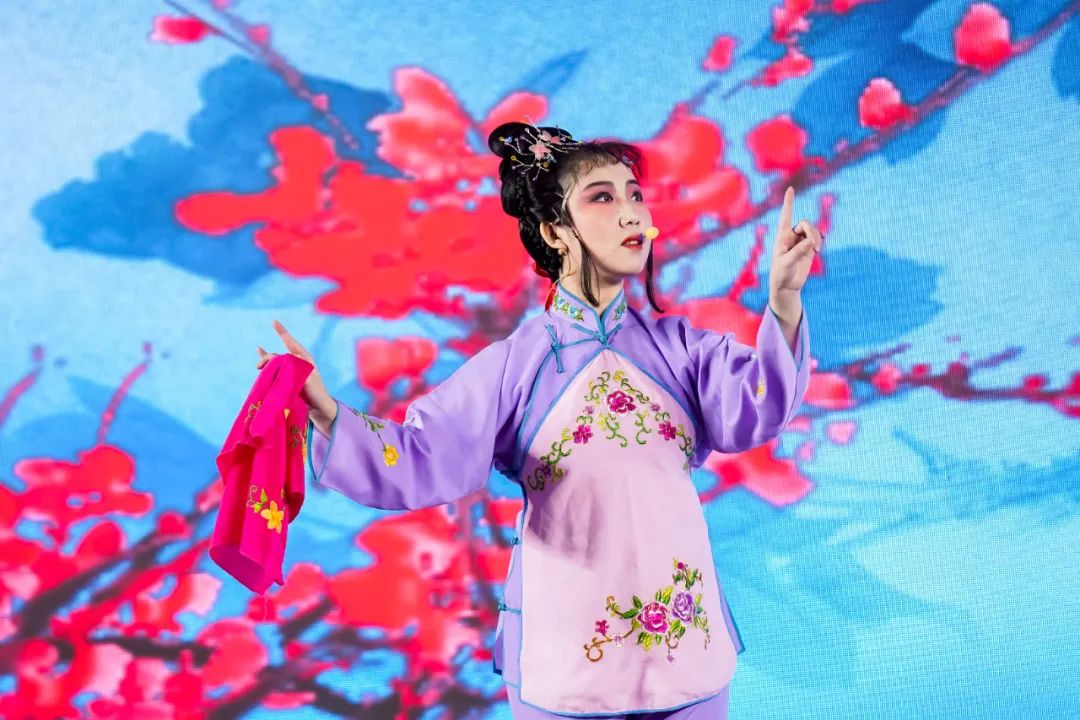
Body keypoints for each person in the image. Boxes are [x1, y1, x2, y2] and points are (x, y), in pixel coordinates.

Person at [256, 120, 820, 718]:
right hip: (568, 653)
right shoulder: (514, 366)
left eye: (634, 194)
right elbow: (422, 456)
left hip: (686, 648)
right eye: (602, 197)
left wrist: (783, 302)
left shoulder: (679, 349)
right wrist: (326, 411)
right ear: (554, 231)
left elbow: (759, 403)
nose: (631, 212)